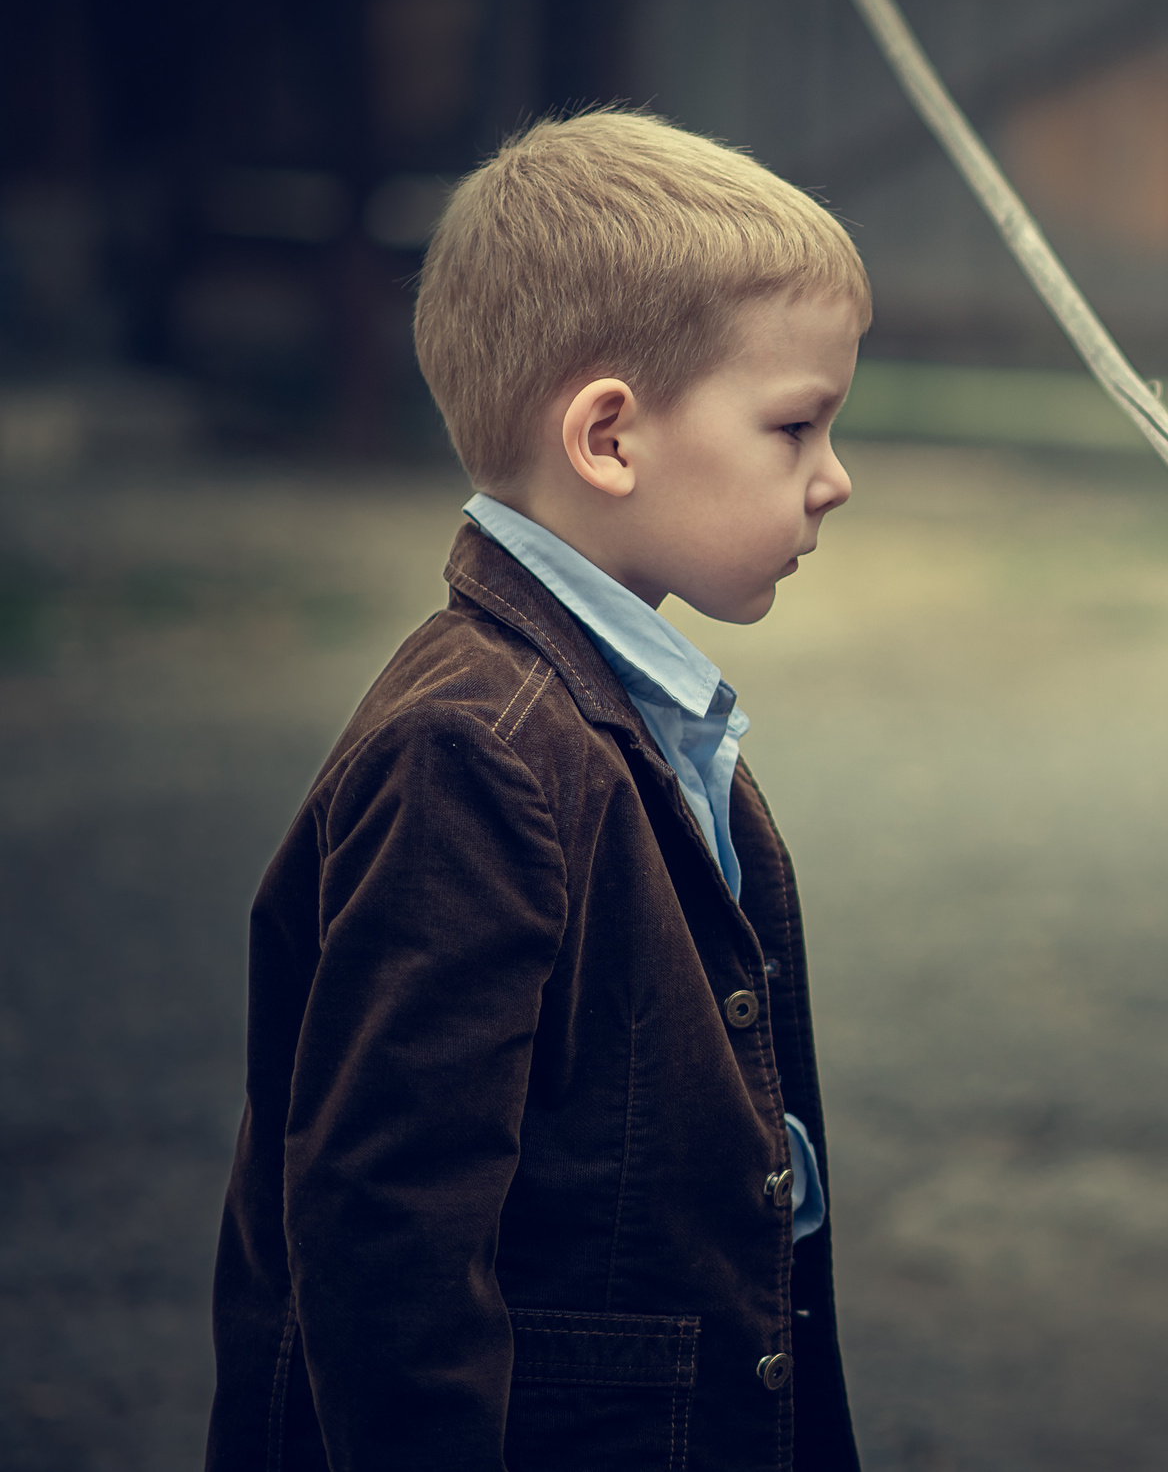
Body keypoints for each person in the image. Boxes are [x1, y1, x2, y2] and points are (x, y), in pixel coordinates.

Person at [206, 112, 866, 1472]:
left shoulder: (628, 712)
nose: (834, 479)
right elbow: (388, 1231)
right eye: (796, 424)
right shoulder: (474, 750)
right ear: (610, 436)